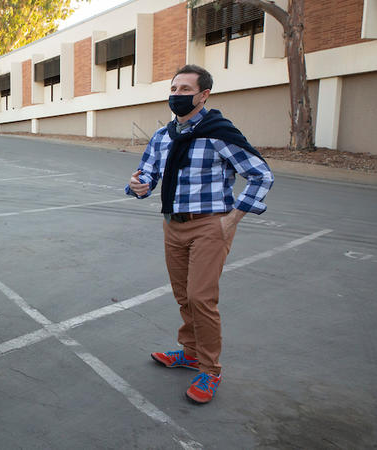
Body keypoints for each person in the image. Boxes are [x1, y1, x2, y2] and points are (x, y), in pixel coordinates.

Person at [125, 64, 274, 404]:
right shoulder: (164, 136)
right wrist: (138, 185)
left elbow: (261, 175)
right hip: (172, 223)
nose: (176, 95)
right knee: (183, 295)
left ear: (203, 95)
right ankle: (190, 352)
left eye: (184, 90)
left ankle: (210, 370)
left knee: (201, 298)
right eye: (173, 89)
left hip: (210, 225)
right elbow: (147, 175)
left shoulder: (218, 133)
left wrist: (233, 218)